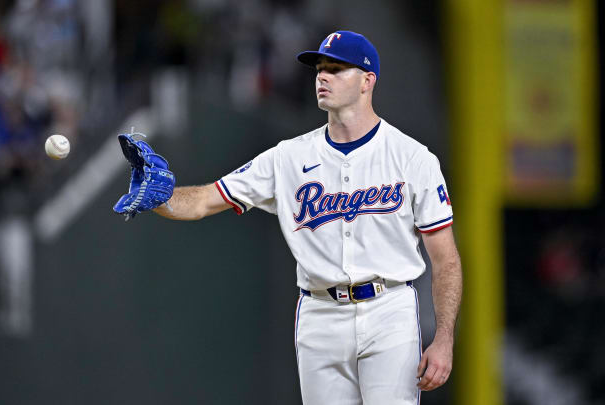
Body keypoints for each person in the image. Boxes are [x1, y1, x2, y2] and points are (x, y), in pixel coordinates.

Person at [115, 30, 462, 404]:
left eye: (336, 69)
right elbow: (204, 201)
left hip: (389, 310)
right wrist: (161, 199)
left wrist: (444, 338)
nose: (322, 77)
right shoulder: (287, 158)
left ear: (367, 81)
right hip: (319, 315)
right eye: (320, 69)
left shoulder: (413, 158)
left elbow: (445, 260)